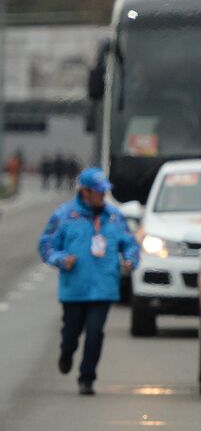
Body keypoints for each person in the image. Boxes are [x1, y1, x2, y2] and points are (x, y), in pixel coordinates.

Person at [38, 166, 139, 395]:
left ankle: (87, 377)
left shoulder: (114, 216)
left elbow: (131, 244)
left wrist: (130, 261)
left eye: (104, 191)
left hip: (104, 287)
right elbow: (46, 246)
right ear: (85, 191)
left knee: (95, 332)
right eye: (98, 191)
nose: (102, 196)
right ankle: (66, 353)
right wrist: (62, 259)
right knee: (71, 333)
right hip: (75, 288)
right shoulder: (64, 215)